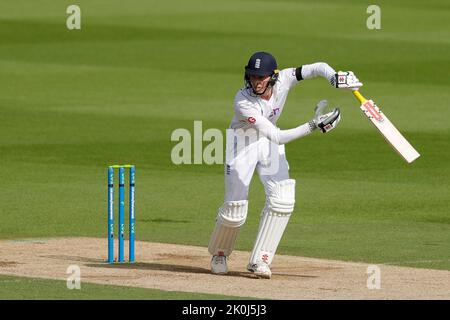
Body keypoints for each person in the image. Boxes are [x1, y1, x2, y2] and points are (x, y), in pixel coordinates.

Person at [207, 51, 362, 278]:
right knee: (235, 208)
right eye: (252, 76)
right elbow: (278, 136)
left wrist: (334, 77)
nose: (256, 82)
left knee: (282, 199)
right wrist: (313, 125)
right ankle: (220, 253)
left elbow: (317, 66)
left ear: (273, 76)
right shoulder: (243, 102)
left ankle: (260, 260)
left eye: (261, 77)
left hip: (269, 146)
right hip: (243, 147)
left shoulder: (286, 78)